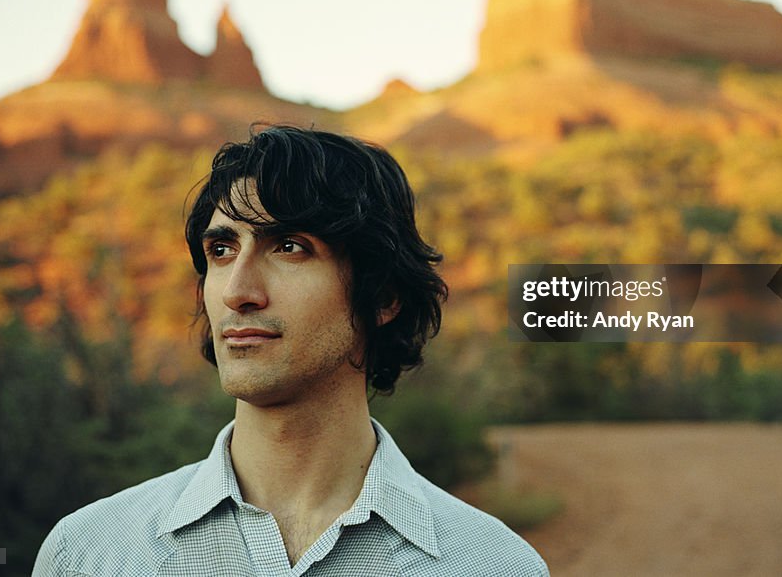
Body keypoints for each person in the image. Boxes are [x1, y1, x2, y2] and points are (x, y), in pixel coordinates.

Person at [34, 125, 548, 576]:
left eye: (289, 247)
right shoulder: (88, 554)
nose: (238, 291)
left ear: (385, 296)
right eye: (221, 250)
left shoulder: (492, 566)